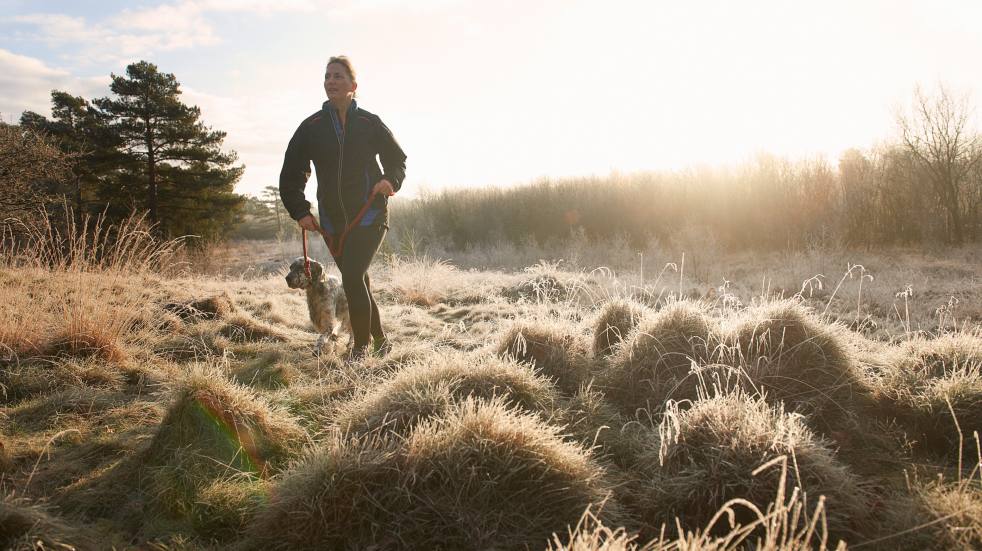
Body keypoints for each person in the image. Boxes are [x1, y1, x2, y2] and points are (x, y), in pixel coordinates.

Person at [279, 55, 406, 360]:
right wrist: (301, 211)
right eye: (327, 76)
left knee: (351, 277)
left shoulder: (369, 123)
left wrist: (390, 180)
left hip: (370, 213)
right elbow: (291, 171)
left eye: (338, 76)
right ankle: (381, 340)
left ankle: (360, 348)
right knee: (357, 279)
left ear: (353, 85)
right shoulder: (311, 127)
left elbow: (396, 158)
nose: (331, 81)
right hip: (334, 223)